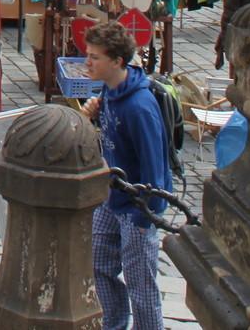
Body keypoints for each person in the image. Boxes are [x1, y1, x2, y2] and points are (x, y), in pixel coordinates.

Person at [82, 19, 169, 330]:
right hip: (111, 195)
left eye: (94, 57)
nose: (87, 62)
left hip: (138, 206)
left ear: (117, 61)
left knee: (141, 283)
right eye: (88, 54)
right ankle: (114, 324)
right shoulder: (110, 91)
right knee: (97, 261)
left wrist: (148, 219)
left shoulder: (139, 107)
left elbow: (154, 167)